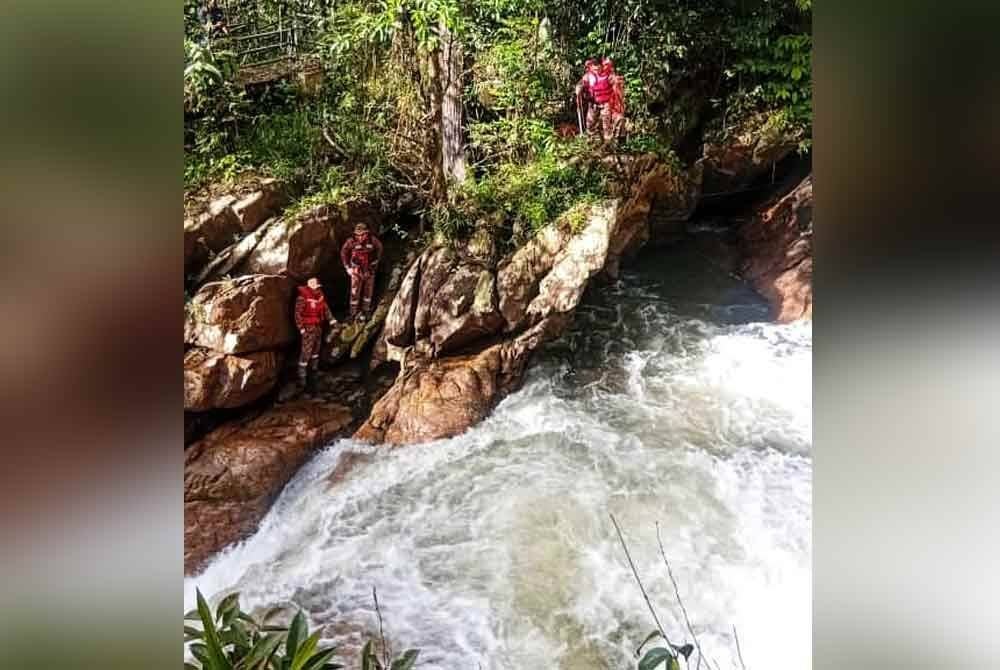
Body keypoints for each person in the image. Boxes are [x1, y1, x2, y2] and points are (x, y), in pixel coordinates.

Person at [293, 277, 336, 394]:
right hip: (308, 328)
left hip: (318, 327)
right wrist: (301, 329)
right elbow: (297, 314)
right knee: (306, 352)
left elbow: (325, 309)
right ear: (310, 286)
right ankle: (302, 378)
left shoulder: (319, 296)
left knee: (316, 351)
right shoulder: (302, 298)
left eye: (318, 287)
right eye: (316, 287)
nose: (318, 289)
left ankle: (314, 372)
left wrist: (332, 320)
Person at [340, 222, 383, 321]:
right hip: (356, 271)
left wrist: (376, 261)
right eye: (357, 235)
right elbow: (343, 253)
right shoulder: (351, 241)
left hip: (369, 271)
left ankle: (366, 311)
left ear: (366, 233)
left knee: (368, 292)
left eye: (362, 234)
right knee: (354, 292)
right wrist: (347, 268)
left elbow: (380, 248)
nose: (360, 237)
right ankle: (352, 314)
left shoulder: (372, 240)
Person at [576, 57, 614, 142]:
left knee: (606, 124)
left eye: (598, 66)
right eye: (594, 66)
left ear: (602, 66)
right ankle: (592, 140)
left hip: (606, 104)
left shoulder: (608, 75)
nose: (596, 68)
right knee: (590, 123)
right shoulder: (588, 76)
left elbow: (616, 85)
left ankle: (608, 143)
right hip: (593, 103)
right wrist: (579, 87)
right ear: (591, 67)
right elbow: (582, 82)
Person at [605, 58, 626, 140]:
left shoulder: (617, 79)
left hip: (615, 106)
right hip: (605, 105)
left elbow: (620, 95)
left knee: (619, 119)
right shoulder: (600, 77)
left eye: (608, 65)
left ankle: (618, 140)